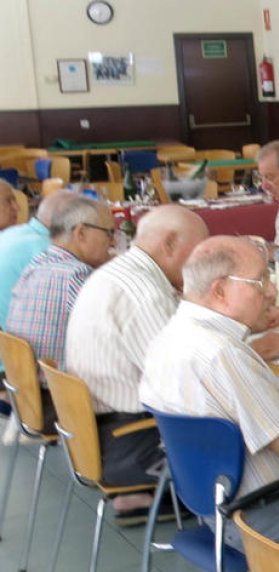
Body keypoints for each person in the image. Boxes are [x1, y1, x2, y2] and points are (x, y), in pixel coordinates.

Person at [140, 236, 279, 549]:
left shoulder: (170, 336)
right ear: (220, 290)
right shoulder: (222, 354)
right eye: (260, 280)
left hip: (213, 506)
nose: (271, 290)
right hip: (267, 513)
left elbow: (232, 402)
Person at [62, 205, 209, 522]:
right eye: (198, 251)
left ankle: (149, 496)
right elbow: (186, 381)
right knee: (248, 422)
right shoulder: (145, 294)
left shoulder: (119, 272)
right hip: (128, 440)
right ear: (168, 244)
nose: (201, 263)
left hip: (94, 432)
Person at [9, 194, 115, 371]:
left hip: (26, 389)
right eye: (109, 232)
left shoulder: (37, 264)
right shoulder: (76, 275)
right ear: (80, 233)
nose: (113, 241)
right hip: (57, 392)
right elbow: (111, 338)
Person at [0, 190, 75, 329]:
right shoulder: (47, 249)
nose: (18, 207)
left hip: (8, 342)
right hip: (22, 344)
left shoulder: (11, 233)